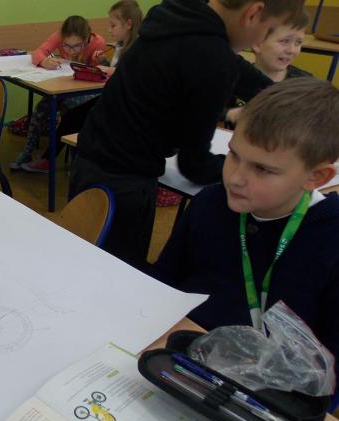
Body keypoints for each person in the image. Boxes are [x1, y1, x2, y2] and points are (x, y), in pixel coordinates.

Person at [70, 0, 303, 269]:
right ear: (253, 14)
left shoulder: (178, 17)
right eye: (269, 30)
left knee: (84, 258)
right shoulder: (213, 58)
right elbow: (195, 165)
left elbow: (230, 65)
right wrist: (249, 170)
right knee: (116, 271)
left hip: (89, 160)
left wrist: (286, 98)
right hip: (125, 184)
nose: (259, 41)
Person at [152, 78, 339, 369]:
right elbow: (162, 284)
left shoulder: (330, 239)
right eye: (233, 155)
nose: (235, 178)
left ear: (315, 177)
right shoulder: (209, 203)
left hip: (269, 384)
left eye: (262, 169)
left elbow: (330, 367)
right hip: (179, 354)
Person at [22, 4, 143, 175]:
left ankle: (66, 162)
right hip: (110, 97)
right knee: (67, 114)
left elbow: (129, 75)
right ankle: (48, 160)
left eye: (113, 25)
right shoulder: (121, 45)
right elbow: (113, 74)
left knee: (76, 116)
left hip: (121, 105)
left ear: (129, 24)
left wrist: (103, 66)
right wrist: (103, 66)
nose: (109, 30)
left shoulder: (138, 47)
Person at [11, 15, 107, 172]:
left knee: (71, 111)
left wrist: (100, 61)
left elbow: (101, 74)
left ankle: (52, 157)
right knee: (41, 109)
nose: (70, 51)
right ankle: (27, 153)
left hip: (85, 93)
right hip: (64, 85)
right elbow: (38, 53)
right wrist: (44, 61)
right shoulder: (58, 36)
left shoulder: (98, 43)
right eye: (66, 46)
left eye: (76, 46)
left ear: (86, 39)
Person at [224, 8, 312, 126]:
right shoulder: (233, 78)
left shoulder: (306, 85)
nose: (292, 50)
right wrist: (229, 114)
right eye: (285, 41)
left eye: (298, 42)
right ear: (257, 44)